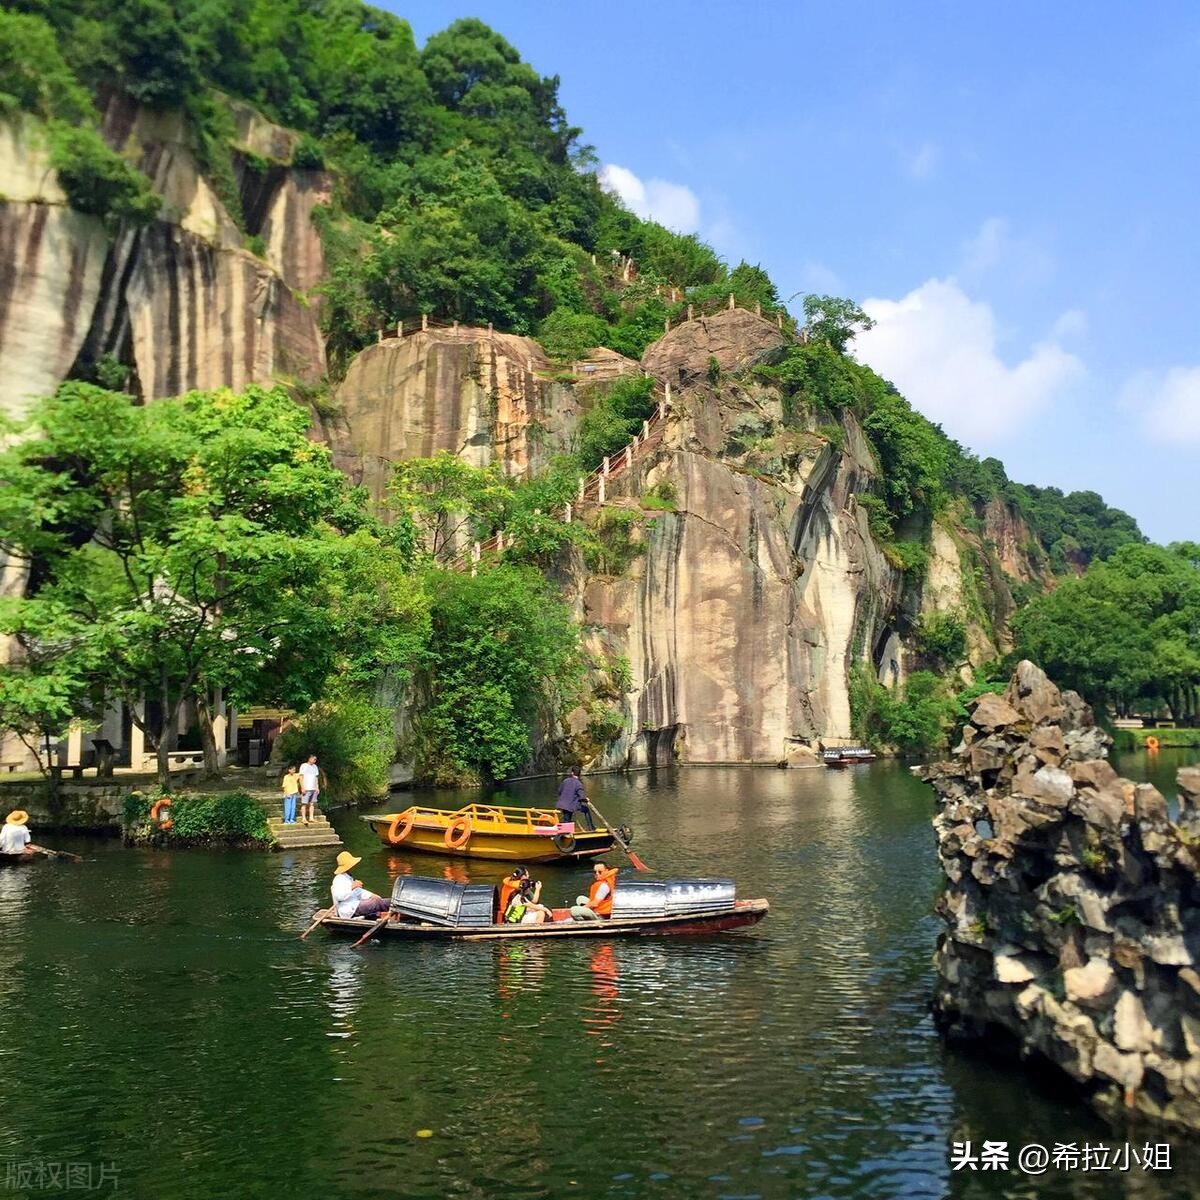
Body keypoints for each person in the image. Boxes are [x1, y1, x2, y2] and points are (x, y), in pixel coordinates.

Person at [330, 851, 392, 920]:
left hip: (356, 904)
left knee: (386, 901)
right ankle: (390, 914)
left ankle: (390, 911)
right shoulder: (338, 879)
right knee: (376, 903)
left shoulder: (348, 878)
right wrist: (352, 887)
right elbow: (339, 896)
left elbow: (359, 892)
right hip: (349, 910)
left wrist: (371, 895)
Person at [556, 767, 595, 832]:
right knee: (586, 810)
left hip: (562, 805)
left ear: (572, 773)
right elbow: (582, 797)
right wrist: (586, 800)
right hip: (571, 805)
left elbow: (559, 792)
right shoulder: (578, 784)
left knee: (567, 819)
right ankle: (591, 828)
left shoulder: (565, 781)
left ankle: (566, 833)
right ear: (579, 774)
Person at [298, 754, 321, 826]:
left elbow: (316, 778)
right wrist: (302, 787)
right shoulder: (303, 766)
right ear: (310, 758)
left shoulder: (315, 767)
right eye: (314, 759)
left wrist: (317, 787)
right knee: (304, 803)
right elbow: (301, 777)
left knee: (312, 803)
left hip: (313, 788)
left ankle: (311, 818)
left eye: (315, 760)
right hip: (306, 788)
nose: (315, 761)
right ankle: (304, 818)